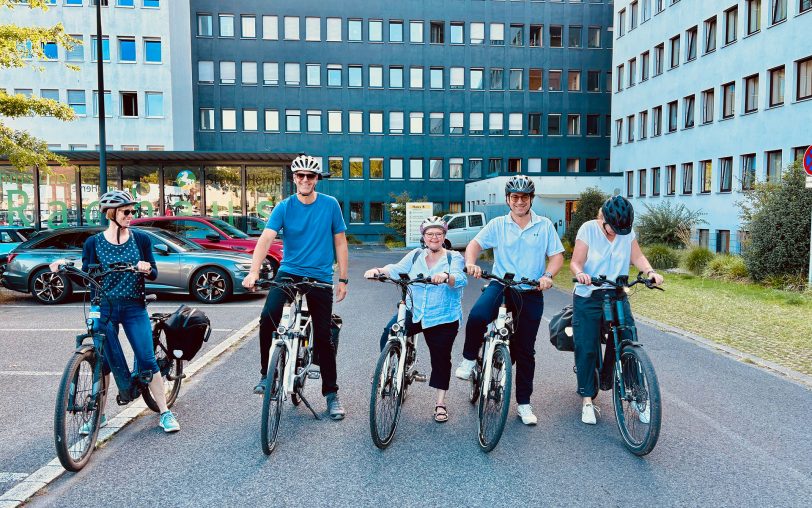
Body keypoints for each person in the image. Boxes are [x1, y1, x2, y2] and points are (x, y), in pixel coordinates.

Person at [50, 190, 180, 433]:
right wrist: (64, 268)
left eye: (133, 211)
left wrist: (145, 268)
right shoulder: (93, 243)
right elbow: (87, 275)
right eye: (126, 211)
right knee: (103, 361)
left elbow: (153, 272)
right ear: (111, 214)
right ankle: (98, 415)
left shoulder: (141, 239)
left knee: (146, 358)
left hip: (133, 306)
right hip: (104, 307)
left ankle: (165, 411)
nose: (131, 215)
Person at [242, 155, 349, 421]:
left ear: (316, 180)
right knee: (268, 317)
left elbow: (341, 243)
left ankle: (331, 394)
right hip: (289, 272)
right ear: (294, 178)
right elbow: (266, 239)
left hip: (320, 276)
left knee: (324, 337)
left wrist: (343, 279)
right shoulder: (284, 206)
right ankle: (267, 375)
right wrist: (254, 271)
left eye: (310, 176)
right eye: (300, 176)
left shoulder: (330, 205)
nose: (304, 180)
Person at [455, 176, 565, 426]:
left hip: (530, 291)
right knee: (478, 315)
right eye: (514, 197)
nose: (519, 201)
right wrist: (470, 263)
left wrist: (548, 275)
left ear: (530, 199)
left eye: (524, 197)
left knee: (525, 351)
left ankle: (524, 404)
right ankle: (470, 360)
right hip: (501, 285)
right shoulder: (498, 224)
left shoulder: (544, 225)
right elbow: (474, 244)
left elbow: (556, 256)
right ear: (507, 199)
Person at [569, 195, 664, 425]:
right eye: (614, 228)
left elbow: (637, 256)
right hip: (589, 294)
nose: (617, 233)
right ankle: (588, 400)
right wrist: (580, 273)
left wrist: (650, 272)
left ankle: (636, 397)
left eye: (623, 229)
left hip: (617, 292)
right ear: (604, 219)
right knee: (587, 345)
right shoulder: (588, 229)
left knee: (627, 338)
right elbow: (575, 262)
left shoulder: (625, 232)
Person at [363, 216, 466, 423]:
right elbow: (396, 268)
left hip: (442, 316)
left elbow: (460, 278)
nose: (434, 237)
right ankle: (388, 368)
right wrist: (378, 271)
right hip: (415, 310)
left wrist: (446, 276)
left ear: (444, 236)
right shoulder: (416, 254)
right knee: (389, 332)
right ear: (424, 237)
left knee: (441, 359)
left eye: (438, 234)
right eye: (430, 234)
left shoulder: (453, 258)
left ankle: (440, 403)